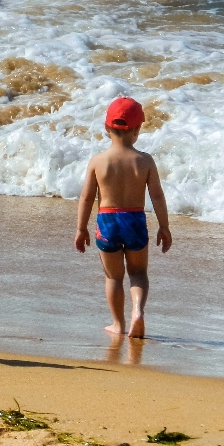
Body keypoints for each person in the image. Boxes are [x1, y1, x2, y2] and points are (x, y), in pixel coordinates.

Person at [74, 97, 172, 339]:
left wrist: (81, 229)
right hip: (135, 220)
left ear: (107, 128)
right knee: (138, 273)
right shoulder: (145, 161)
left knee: (114, 276)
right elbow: (157, 196)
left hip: (107, 221)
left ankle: (118, 324)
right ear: (138, 130)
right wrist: (164, 226)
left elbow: (86, 198)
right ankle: (138, 311)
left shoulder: (98, 161)